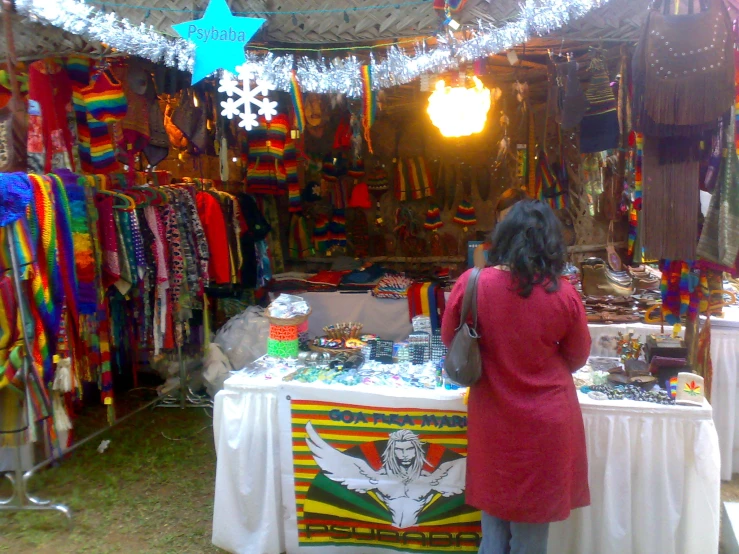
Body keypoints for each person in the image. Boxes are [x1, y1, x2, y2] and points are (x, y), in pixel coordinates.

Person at [442, 200, 591, 554]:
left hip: (494, 419)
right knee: (531, 537)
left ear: (504, 238)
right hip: (547, 424)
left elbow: (452, 341)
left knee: (493, 531)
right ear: (551, 242)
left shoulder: (473, 283)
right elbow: (578, 355)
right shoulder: (563, 292)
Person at [473, 187, 529, 268]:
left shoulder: (536, 251)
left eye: (519, 217)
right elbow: (480, 280)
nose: (513, 222)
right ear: (498, 216)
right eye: (507, 216)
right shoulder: (483, 251)